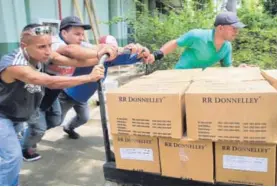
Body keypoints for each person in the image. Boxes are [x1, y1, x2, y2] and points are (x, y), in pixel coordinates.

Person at [21, 16, 154, 161]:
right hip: (37, 92)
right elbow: (70, 51)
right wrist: (101, 56)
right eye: (77, 34)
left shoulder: (81, 45)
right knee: (39, 127)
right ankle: (25, 145)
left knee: (55, 121)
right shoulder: (54, 43)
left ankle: (29, 132)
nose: (81, 37)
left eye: (82, 34)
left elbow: (97, 49)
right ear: (64, 33)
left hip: (53, 91)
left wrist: (126, 49)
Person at [0, 24, 108, 185]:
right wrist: (88, 78)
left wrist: (108, 54)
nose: (48, 51)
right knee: (13, 157)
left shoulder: (43, 56)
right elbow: (48, 81)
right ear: (24, 46)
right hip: (2, 116)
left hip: (17, 113)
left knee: (10, 157)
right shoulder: (14, 64)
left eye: (50, 45)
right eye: (42, 46)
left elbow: (75, 62)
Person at [58, 34, 154, 141]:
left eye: (114, 49)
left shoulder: (108, 60)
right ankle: (36, 136)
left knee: (83, 118)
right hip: (68, 95)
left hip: (82, 99)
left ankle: (68, 128)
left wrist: (142, 52)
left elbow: (127, 59)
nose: (112, 53)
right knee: (55, 120)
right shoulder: (91, 57)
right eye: (109, 49)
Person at [150, 11, 246, 68]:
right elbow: (175, 43)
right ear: (220, 28)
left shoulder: (227, 47)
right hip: (181, 76)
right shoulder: (196, 35)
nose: (236, 32)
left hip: (199, 80)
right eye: (233, 28)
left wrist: (238, 69)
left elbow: (227, 69)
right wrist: (155, 55)